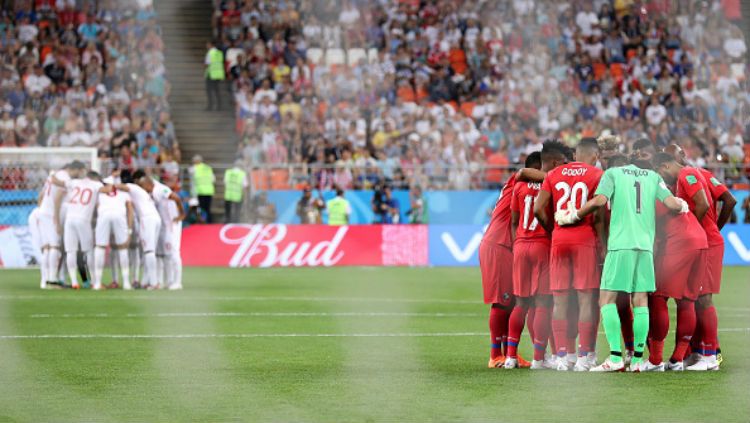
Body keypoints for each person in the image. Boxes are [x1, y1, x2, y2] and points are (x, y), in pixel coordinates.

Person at [555, 155, 688, 372]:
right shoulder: (653, 177)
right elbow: (673, 204)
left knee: (606, 298)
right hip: (644, 246)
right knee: (641, 300)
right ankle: (637, 361)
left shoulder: (613, 173)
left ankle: (616, 357)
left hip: (620, 244)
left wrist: (574, 215)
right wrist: (684, 204)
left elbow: (599, 200)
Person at [534, 137, 604, 371]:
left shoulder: (554, 174)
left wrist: (553, 230)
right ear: (594, 155)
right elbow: (601, 211)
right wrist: (602, 241)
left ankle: (563, 356)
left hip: (560, 239)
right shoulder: (596, 174)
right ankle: (584, 357)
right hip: (585, 239)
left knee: (560, 299)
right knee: (586, 299)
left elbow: (538, 209)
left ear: (575, 154)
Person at [652, 152, 726, 371]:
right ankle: (696, 352)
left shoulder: (686, 174)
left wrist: (693, 227)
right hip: (704, 240)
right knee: (691, 299)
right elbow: (726, 199)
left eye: (660, 173)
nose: (662, 179)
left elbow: (702, 204)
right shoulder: (696, 173)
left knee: (702, 299)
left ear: (664, 165)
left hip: (705, 242)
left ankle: (710, 355)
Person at [507, 143, 568, 370]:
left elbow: (513, 221)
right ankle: (538, 360)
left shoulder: (519, 187)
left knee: (521, 303)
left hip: (521, 245)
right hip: (543, 245)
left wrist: (518, 244)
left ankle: (510, 357)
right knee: (543, 303)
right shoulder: (552, 186)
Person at [478, 163, 518, 368]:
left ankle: (510, 353)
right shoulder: (517, 180)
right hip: (498, 245)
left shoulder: (519, 186)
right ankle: (495, 355)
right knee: (501, 301)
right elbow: (522, 172)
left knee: (512, 301)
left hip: (507, 246)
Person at [51, 170, 105, 290]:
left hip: (69, 219)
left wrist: (52, 174)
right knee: (88, 251)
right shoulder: (97, 185)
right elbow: (107, 191)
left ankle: (74, 282)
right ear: (95, 178)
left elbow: (55, 181)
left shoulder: (74, 182)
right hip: (83, 220)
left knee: (71, 251)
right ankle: (94, 282)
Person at [133, 170, 186, 290]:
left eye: (143, 187)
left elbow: (176, 197)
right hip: (162, 224)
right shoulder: (151, 191)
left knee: (173, 252)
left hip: (172, 223)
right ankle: (164, 281)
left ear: (148, 184)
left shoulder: (160, 189)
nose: (143, 190)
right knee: (161, 254)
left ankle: (177, 282)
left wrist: (182, 214)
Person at [38, 161, 84, 288]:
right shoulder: (65, 177)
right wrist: (57, 221)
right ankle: (52, 280)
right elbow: (58, 198)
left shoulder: (54, 176)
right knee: (54, 247)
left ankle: (45, 281)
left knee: (47, 248)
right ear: (76, 169)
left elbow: (41, 196)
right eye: (80, 172)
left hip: (43, 212)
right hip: (50, 214)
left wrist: (42, 209)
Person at [116, 179, 162, 290]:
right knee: (149, 252)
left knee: (148, 251)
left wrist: (110, 186)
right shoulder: (144, 194)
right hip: (155, 218)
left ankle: (154, 283)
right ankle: (146, 281)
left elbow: (123, 187)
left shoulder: (135, 188)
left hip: (147, 219)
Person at [94, 178, 134, 290]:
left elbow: (97, 208)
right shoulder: (124, 193)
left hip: (104, 214)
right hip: (119, 214)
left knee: (100, 247)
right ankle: (126, 283)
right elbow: (130, 211)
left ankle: (97, 283)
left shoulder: (100, 192)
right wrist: (129, 229)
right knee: (122, 248)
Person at [191, 155, 215, 223]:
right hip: (209, 191)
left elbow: (190, 172)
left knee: (201, 208)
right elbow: (213, 179)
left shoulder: (194, 168)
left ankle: (203, 222)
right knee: (208, 208)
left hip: (200, 191)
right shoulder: (208, 168)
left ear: (197, 161)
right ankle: (209, 221)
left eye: (194, 161)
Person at [204, 40, 225, 110]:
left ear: (211, 45)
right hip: (218, 74)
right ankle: (219, 106)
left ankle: (210, 106)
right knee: (217, 90)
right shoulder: (219, 53)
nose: (206, 46)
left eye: (207, 44)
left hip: (211, 74)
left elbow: (207, 64)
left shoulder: (210, 53)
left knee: (209, 90)